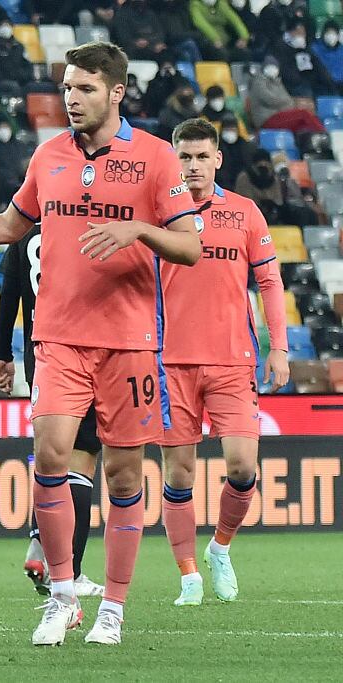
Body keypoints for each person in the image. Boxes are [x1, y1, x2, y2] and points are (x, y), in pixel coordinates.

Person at [0, 41, 202, 646]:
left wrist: (139, 229)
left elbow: (190, 248)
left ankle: (115, 610)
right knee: (50, 459)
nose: (71, 100)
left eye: (85, 89)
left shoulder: (155, 159)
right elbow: (7, 227)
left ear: (117, 92)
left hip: (129, 341)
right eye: (67, 88)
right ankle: (63, 594)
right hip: (58, 338)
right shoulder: (48, 156)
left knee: (124, 478)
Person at [161, 118, 290, 607]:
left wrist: (278, 346)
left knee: (241, 466)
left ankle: (220, 548)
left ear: (217, 159)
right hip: (169, 362)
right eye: (184, 157)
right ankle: (188, 574)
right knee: (178, 476)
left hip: (233, 361)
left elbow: (270, 284)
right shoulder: (157, 214)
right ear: (174, 160)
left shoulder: (244, 213)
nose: (192, 166)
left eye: (201, 157)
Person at [0, 223, 105, 600]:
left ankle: (39, 543)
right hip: (83, 349)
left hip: (39, 355)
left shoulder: (23, 232)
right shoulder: (84, 220)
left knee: (51, 458)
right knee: (81, 462)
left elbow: (9, 294)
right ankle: (69, 570)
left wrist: (2, 354)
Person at [273, 17, 338, 98]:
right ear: (290, 33)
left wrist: (331, 84)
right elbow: (286, 72)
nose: (302, 36)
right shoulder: (280, 48)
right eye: (299, 33)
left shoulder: (305, 49)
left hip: (310, 85)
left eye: (303, 33)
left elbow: (319, 67)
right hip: (292, 87)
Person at [312, 20, 343, 86]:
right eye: (328, 32)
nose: (331, 36)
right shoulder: (315, 49)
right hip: (322, 86)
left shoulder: (341, 50)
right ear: (323, 34)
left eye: (333, 33)